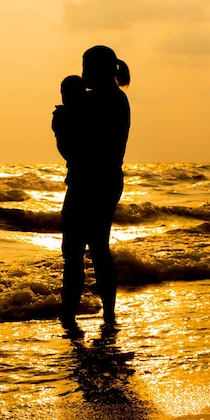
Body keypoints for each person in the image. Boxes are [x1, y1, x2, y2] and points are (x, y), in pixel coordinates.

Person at [52, 45, 130, 332]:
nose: (84, 73)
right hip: (104, 180)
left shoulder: (104, 100)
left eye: (86, 67)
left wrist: (62, 125)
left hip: (92, 181)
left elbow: (74, 150)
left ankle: (71, 314)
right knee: (97, 248)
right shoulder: (111, 98)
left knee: (75, 249)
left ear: (99, 69)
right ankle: (105, 314)